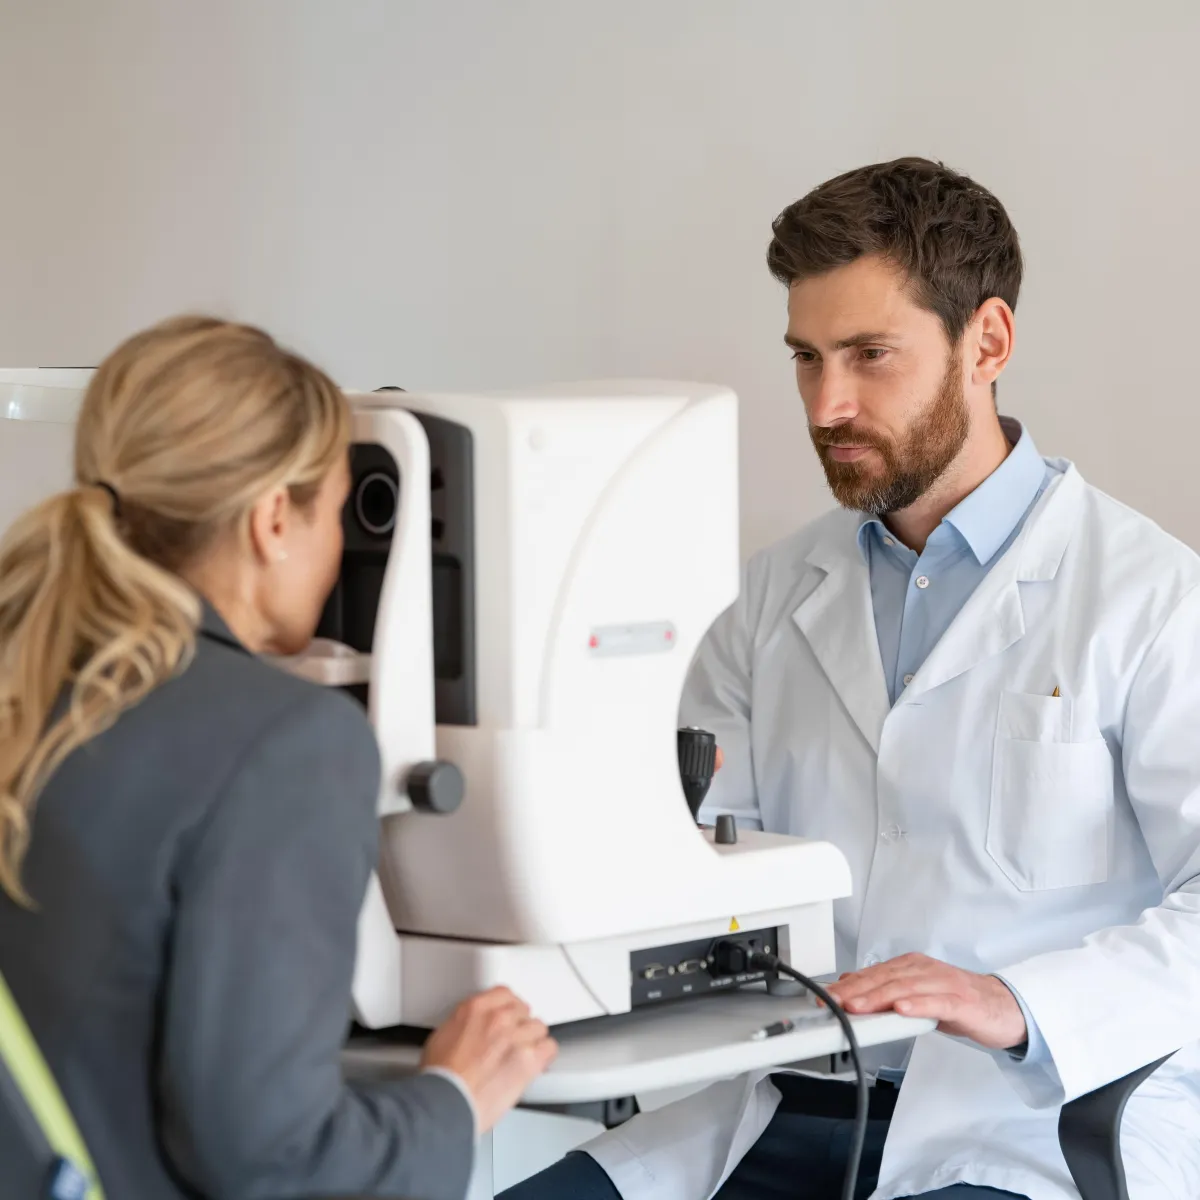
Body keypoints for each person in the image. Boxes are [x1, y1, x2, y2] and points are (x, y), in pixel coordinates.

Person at [500, 157, 1200, 1200]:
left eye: (871, 355)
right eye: (806, 358)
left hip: (1023, 1118)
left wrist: (1013, 1002)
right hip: (776, 1102)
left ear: (987, 343)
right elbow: (704, 860)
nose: (828, 405)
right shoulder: (768, 595)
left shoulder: (1153, 599)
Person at [0, 316, 557, 1199]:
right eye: (336, 513)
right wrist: (455, 1098)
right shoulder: (284, 743)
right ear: (271, 522)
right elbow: (270, 1159)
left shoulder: (29, 683)